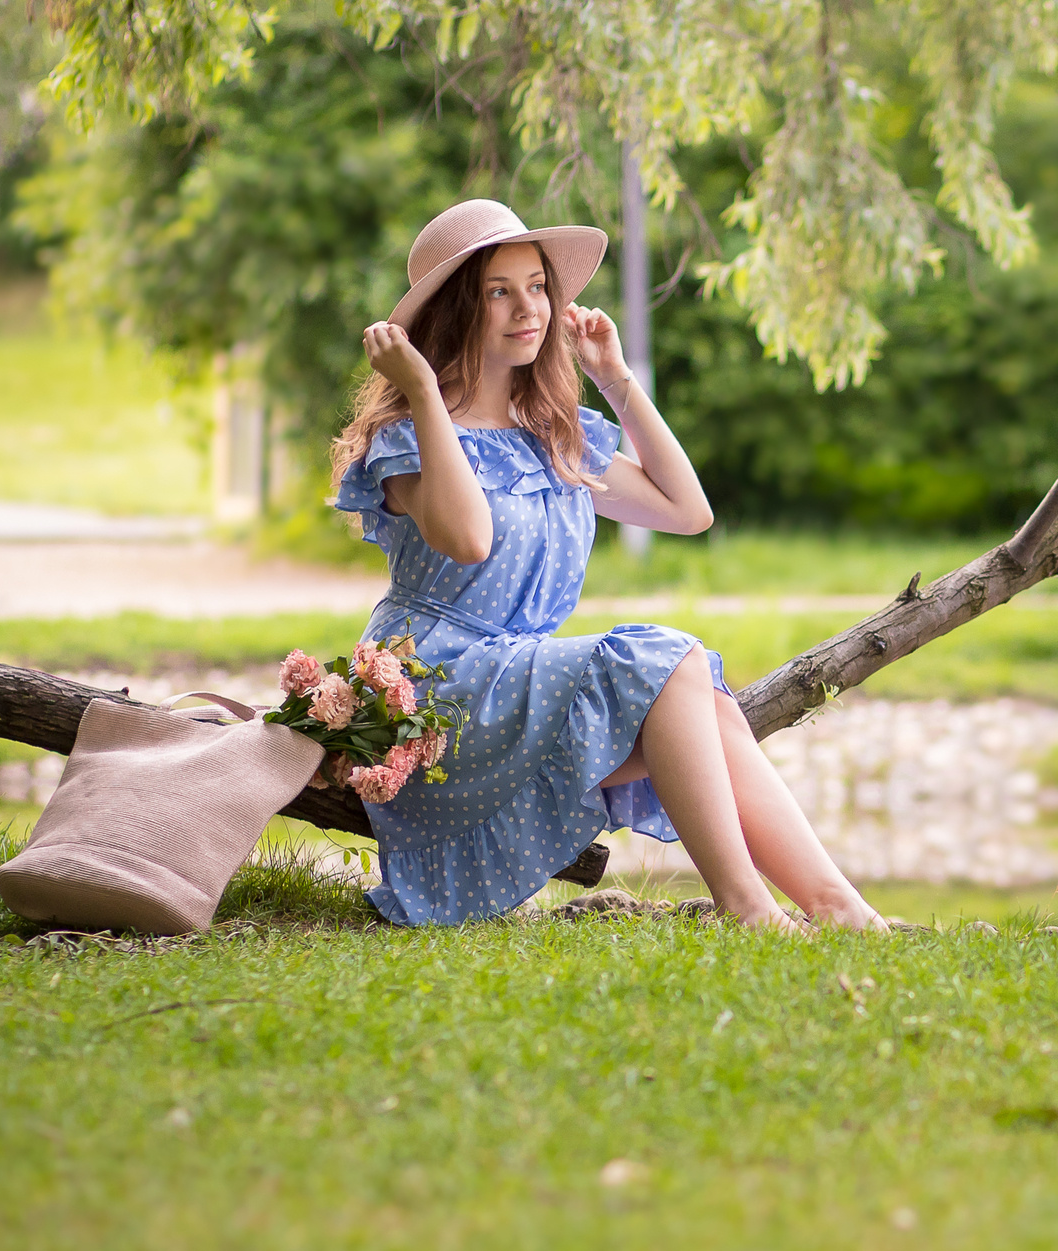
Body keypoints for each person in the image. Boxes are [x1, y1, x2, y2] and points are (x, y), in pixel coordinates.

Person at [328, 198, 884, 931]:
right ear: (455, 309)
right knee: (665, 658)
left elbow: (687, 511)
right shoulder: (407, 435)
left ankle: (837, 905)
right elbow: (468, 539)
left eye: (537, 286)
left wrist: (616, 379)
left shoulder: (549, 435)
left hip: (514, 685)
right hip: (436, 694)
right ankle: (747, 907)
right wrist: (427, 390)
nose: (529, 308)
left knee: (703, 697)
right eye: (499, 291)